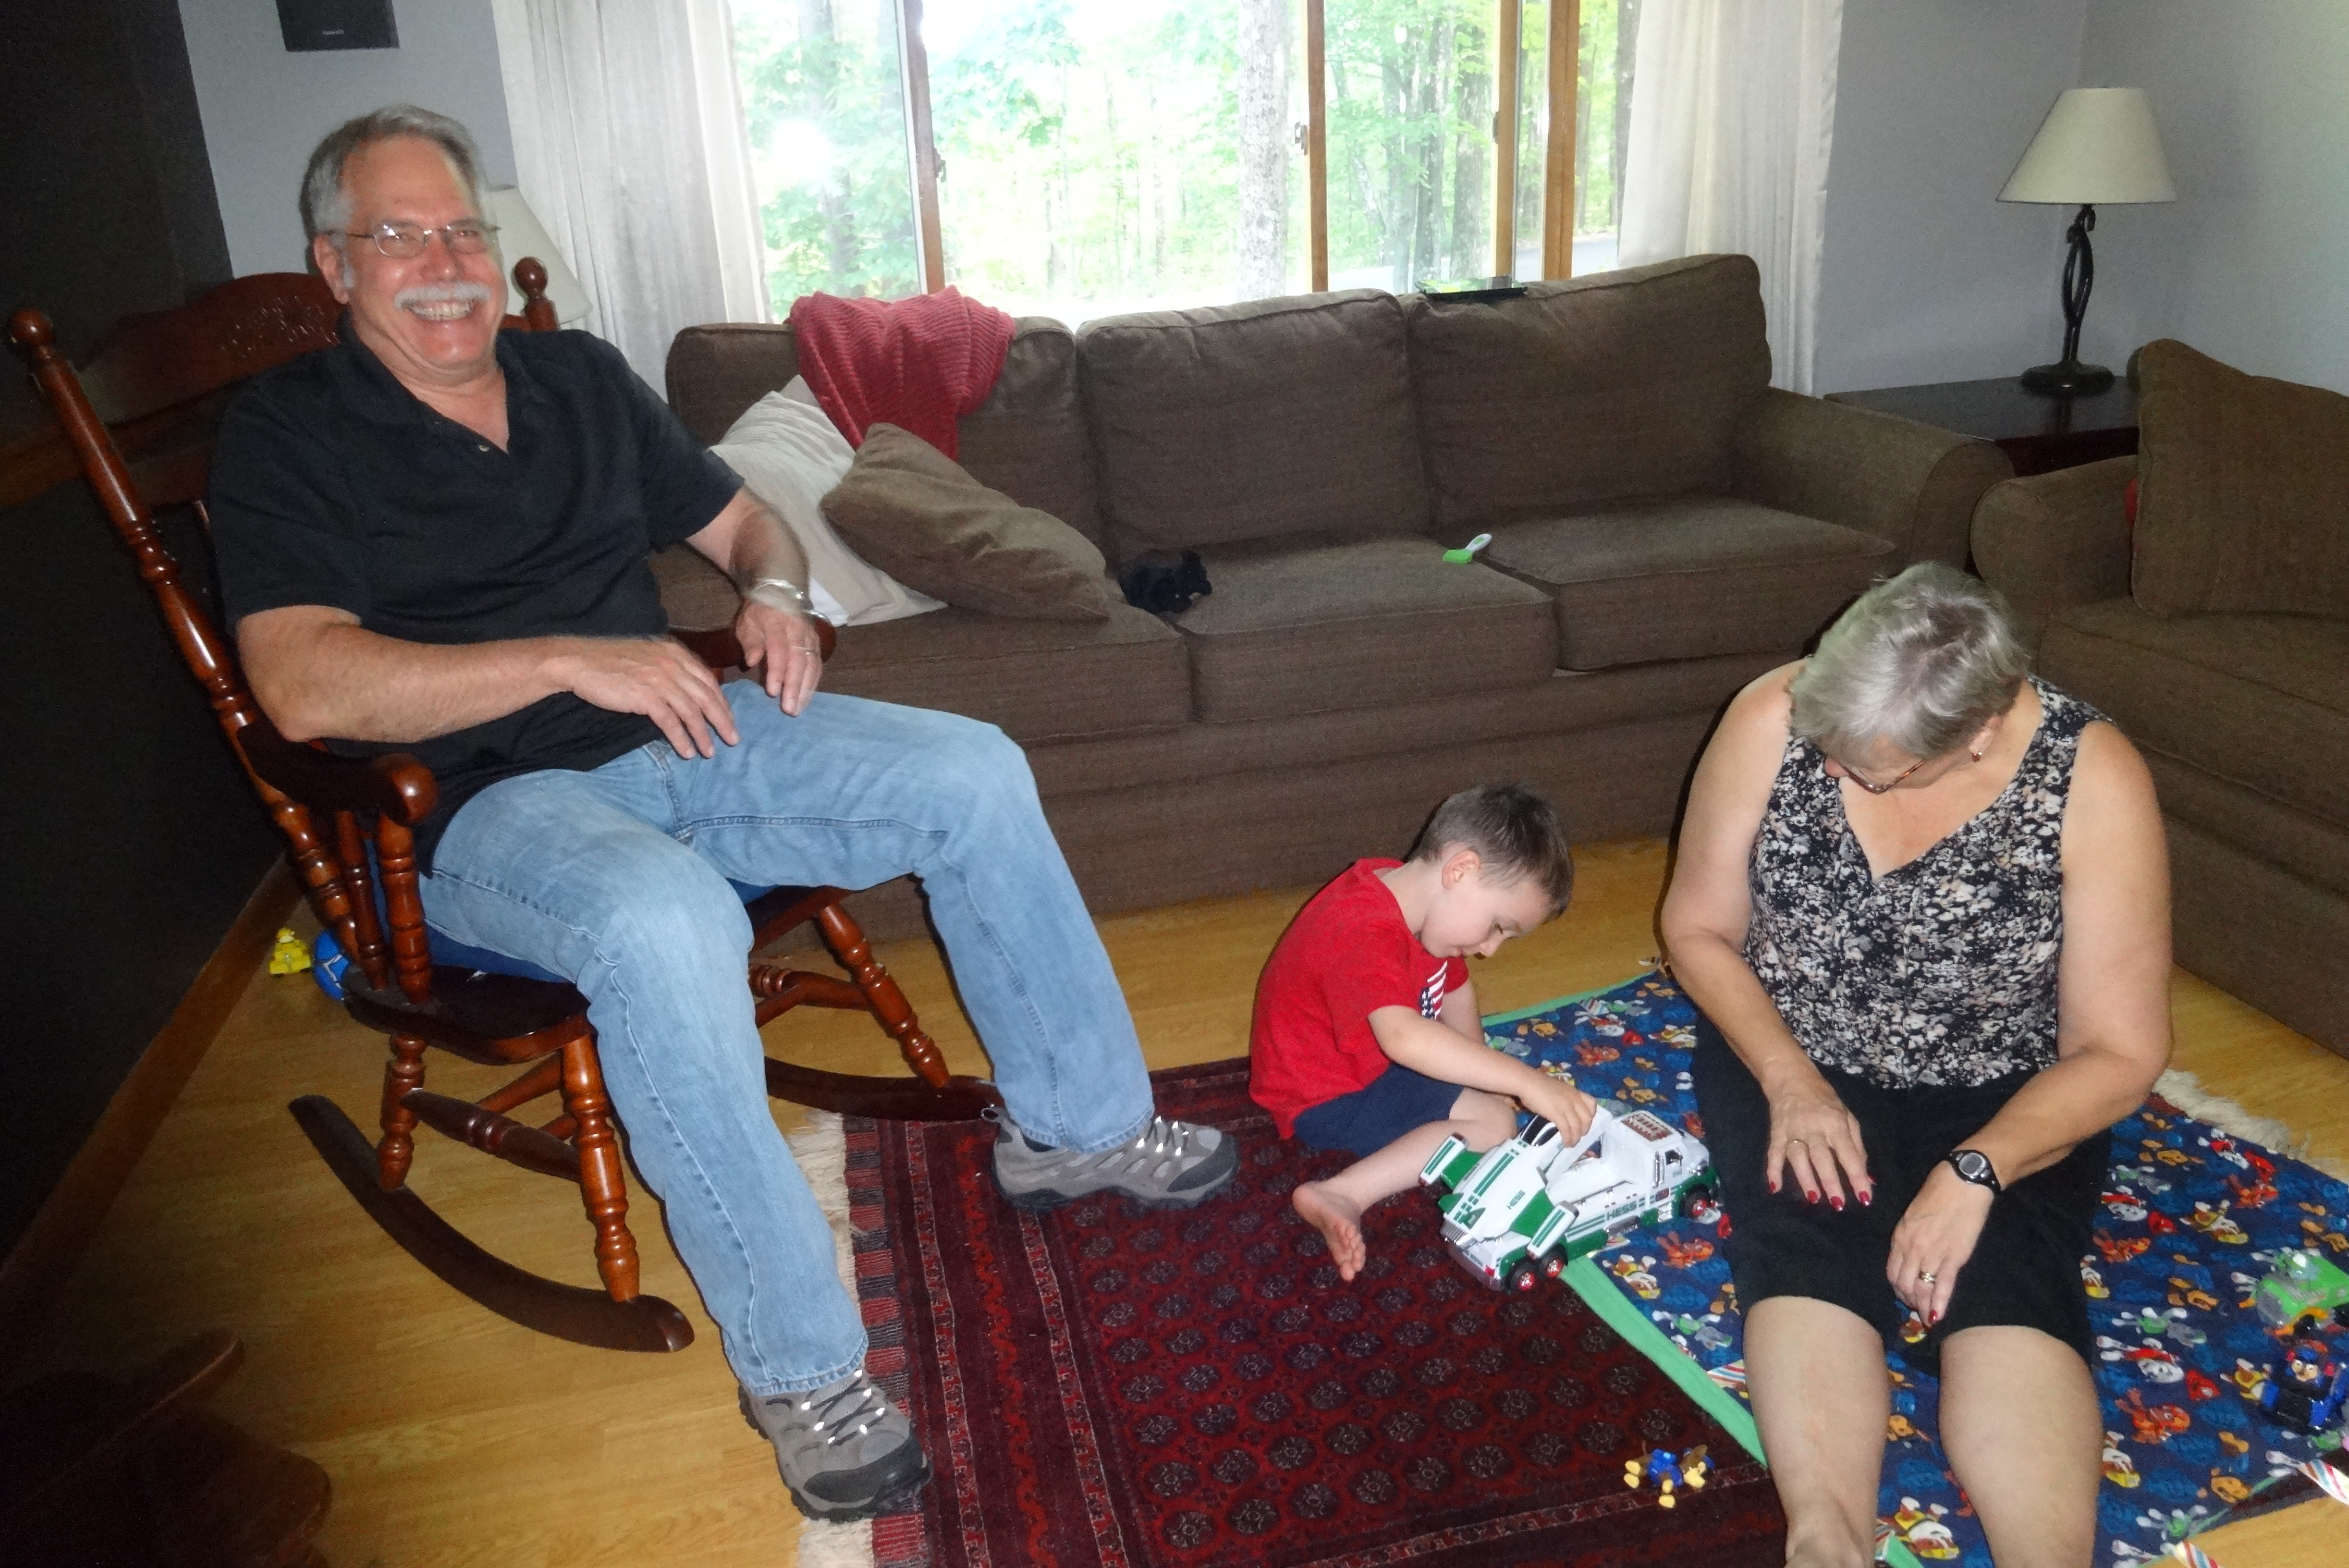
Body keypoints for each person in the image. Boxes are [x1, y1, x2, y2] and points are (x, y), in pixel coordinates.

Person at [206, 106, 1236, 1524]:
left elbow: (751, 520)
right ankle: (802, 1366)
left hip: (682, 732)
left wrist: (775, 591)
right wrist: (565, 659)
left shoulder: (576, 375)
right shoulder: (288, 432)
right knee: (668, 918)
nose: (444, 264)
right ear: (334, 263)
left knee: (972, 769)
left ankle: (1074, 1125)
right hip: (479, 810)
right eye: (399, 236)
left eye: (462, 230)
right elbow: (299, 681)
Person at [1658, 563, 2170, 1568]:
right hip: (1790, 1042)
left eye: (1875, 771)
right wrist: (1789, 1080)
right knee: (1807, 1238)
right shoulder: (1773, 714)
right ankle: (1826, 1541)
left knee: (2006, 1276)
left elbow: (2122, 1051)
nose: (1836, 774)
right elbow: (1697, 927)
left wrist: (1979, 1169)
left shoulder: (2092, 778)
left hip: (2005, 1085)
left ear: (1979, 732)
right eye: (1828, 750)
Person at [1250, 784, 1593, 1283]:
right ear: (1461, 869)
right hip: (1326, 1095)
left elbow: (1456, 992)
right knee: (1494, 1125)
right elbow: (1406, 1039)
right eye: (1498, 926)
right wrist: (1522, 1081)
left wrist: (1483, 1074)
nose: (1490, 949)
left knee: (1484, 1096)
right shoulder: (1362, 928)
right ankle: (1342, 1192)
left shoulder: (1417, 902)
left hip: (1361, 1066)